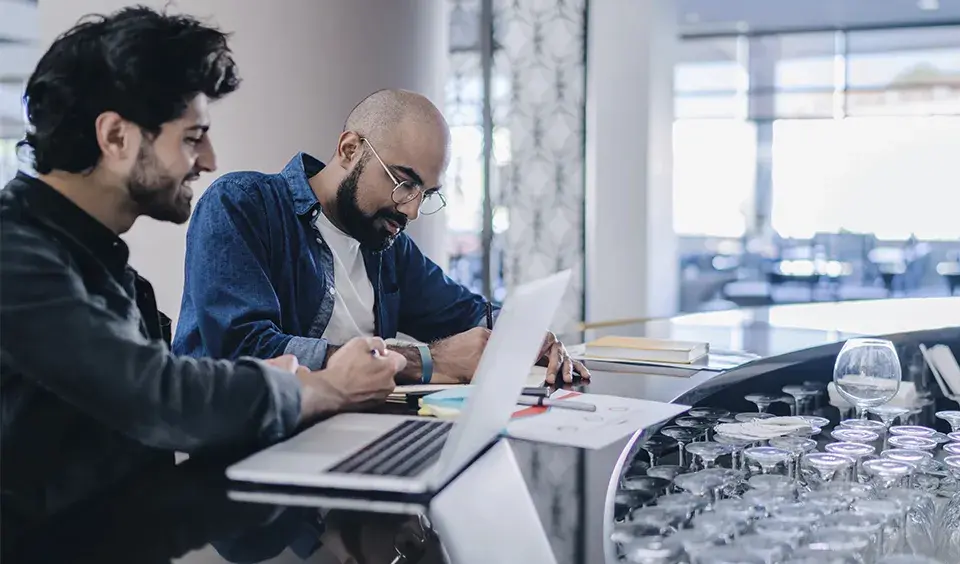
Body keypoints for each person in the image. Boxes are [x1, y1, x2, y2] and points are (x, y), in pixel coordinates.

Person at [0, 7, 406, 521]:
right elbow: (156, 397)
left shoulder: (97, 259)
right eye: (193, 137)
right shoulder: (16, 254)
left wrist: (259, 378)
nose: (210, 159)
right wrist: (322, 386)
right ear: (116, 137)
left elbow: (146, 395)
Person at [173, 89, 591, 385]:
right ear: (350, 150)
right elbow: (244, 351)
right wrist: (423, 360)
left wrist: (528, 337)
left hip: (343, 443)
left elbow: (466, 312)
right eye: (403, 182)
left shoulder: (385, 244)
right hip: (242, 463)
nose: (410, 209)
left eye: (425, 194)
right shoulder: (242, 205)